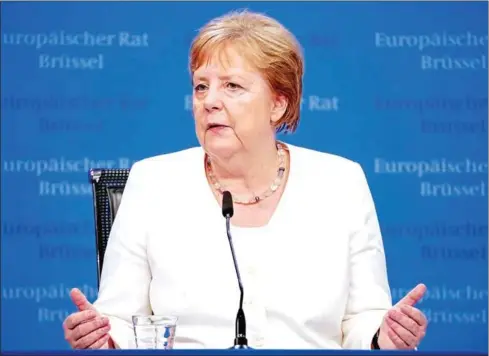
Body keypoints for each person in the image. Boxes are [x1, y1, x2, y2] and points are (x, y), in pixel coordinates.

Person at [62, 10, 428, 350]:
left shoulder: (340, 183)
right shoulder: (153, 182)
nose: (209, 102)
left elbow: (363, 318)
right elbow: (121, 320)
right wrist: (102, 336)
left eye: (232, 86)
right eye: (201, 86)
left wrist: (386, 334)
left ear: (277, 104)